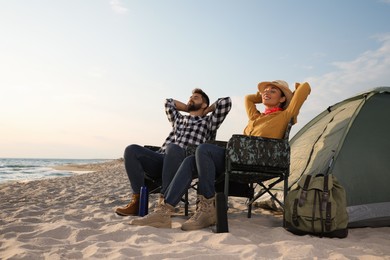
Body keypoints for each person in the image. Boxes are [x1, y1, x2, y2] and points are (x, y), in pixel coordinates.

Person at [130, 80, 311, 230]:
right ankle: (164, 212)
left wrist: (289, 95)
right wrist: (264, 95)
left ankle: (207, 208)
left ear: (283, 99)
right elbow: (248, 98)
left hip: (259, 160)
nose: (266, 92)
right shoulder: (255, 117)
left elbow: (305, 88)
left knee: (204, 149)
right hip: (237, 158)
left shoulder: (287, 114)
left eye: (273, 91)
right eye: (265, 91)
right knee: (190, 161)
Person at [115, 88, 232, 216]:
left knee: (173, 148)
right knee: (131, 150)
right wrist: (188, 107)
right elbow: (168, 103)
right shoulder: (179, 119)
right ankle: (137, 201)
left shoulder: (209, 122)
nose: (191, 99)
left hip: (184, 163)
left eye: (196, 97)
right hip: (163, 159)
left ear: (204, 104)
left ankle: (164, 202)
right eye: (190, 97)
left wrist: (206, 110)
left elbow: (225, 102)